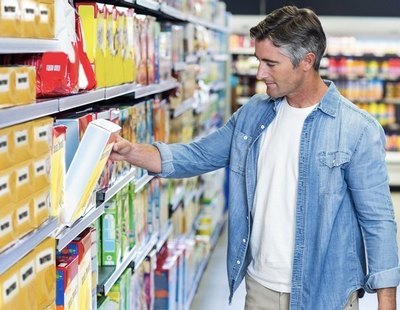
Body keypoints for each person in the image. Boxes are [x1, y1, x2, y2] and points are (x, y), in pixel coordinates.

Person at [110, 5, 400, 310]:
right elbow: (198, 155)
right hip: (260, 288)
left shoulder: (357, 129)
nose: (261, 73)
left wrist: (387, 304)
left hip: (326, 293)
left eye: (270, 63)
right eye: (258, 61)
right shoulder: (254, 114)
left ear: (306, 61)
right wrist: (134, 152)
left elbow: (378, 222)